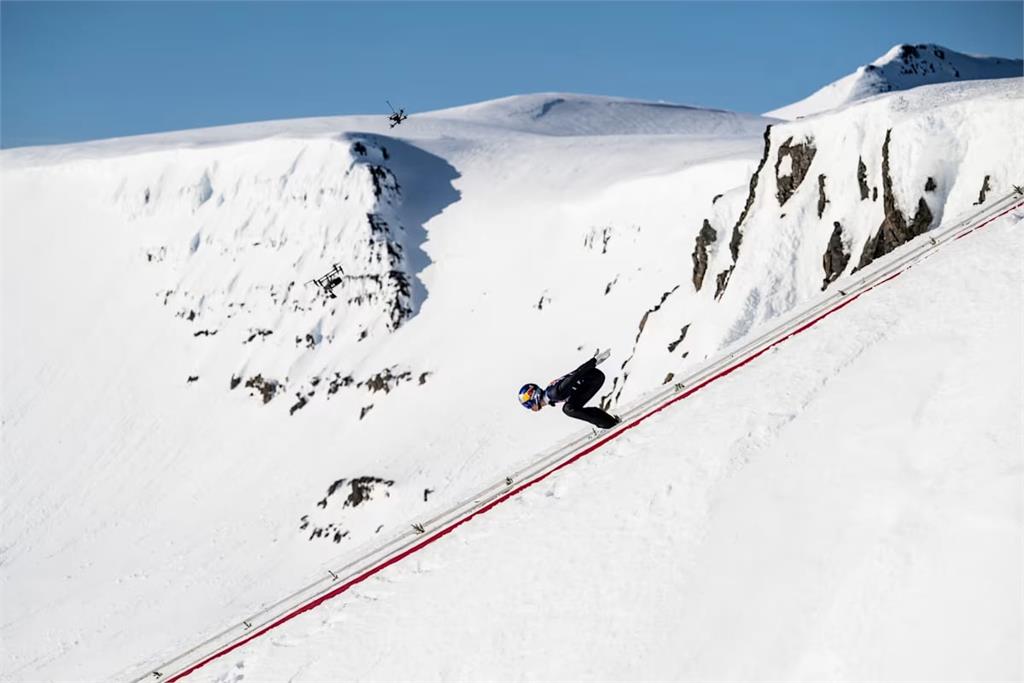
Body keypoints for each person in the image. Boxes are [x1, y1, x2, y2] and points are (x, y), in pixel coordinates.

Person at [519, 349, 620, 429]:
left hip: (593, 379)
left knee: (569, 409)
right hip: (590, 379)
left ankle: (608, 424)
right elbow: (572, 375)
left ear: (534, 397)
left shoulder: (554, 393)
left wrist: (594, 361)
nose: (531, 409)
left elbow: (574, 376)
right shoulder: (551, 393)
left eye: (529, 404)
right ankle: (608, 422)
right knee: (569, 407)